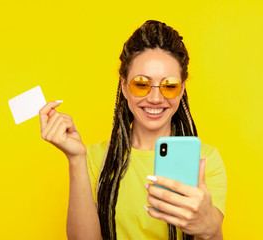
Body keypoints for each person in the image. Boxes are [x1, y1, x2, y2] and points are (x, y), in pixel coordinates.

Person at [39, 20, 227, 240]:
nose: (155, 98)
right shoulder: (93, 159)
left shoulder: (205, 161)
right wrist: (75, 158)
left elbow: (211, 233)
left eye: (169, 86)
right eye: (141, 84)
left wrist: (211, 229)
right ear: (124, 86)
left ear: (182, 89)